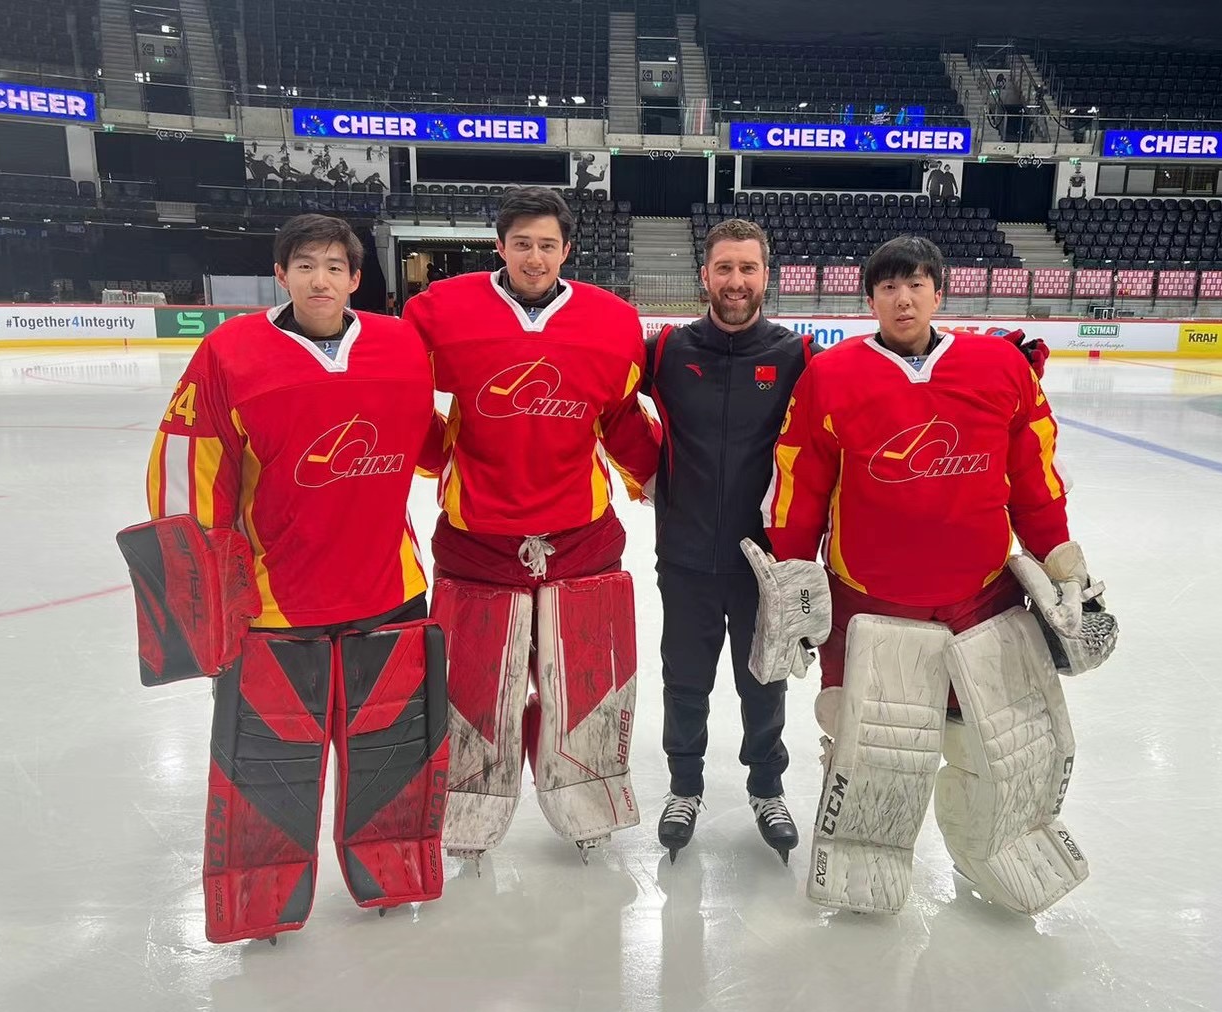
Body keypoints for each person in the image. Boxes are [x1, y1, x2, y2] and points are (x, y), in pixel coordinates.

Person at [750, 235, 1115, 917]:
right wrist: (794, 576)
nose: (904, 298)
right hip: (870, 606)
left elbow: (1034, 478)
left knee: (1001, 746)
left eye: (917, 284)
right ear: (870, 300)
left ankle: (993, 850)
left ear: (939, 292)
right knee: (873, 753)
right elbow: (800, 481)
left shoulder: (998, 369)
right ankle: (863, 859)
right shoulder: (832, 376)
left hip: (983, 601)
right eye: (889, 287)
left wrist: (1061, 561)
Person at [120, 214, 448, 944]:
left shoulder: (400, 345)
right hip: (274, 604)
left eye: (334, 266)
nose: (319, 279)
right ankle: (259, 897)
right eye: (304, 265)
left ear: (356, 278)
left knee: (394, 752)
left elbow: (430, 442)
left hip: (389, 591)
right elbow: (188, 471)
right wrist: (201, 591)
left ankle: (394, 869)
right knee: (268, 762)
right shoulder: (229, 352)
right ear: (281, 274)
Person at [403, 186, 660, 864]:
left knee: (583, 682)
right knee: (475, 685)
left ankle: (588, 794)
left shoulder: (611, 321)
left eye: (547, 245)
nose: (535, 257)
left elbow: (619, 417)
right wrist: (437, 455)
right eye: (522, 244)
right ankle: (468, 804)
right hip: (477, 538)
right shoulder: (441, 312)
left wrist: (657, 480)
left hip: (581, 535)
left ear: (567, 249)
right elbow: (402, 396)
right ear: (500, 246)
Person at [642, 219, 818, 864]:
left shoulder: (797, 357)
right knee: (684, 680)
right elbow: (593, 382)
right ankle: (684, 788)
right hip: (685, 555)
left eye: (747, 268)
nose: (736, 281)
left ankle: (767, 788)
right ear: (705, 276)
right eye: (724, 268)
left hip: (763, 563)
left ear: (766, 275)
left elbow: (865, 400)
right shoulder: (666, 350)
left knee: (763, 682)